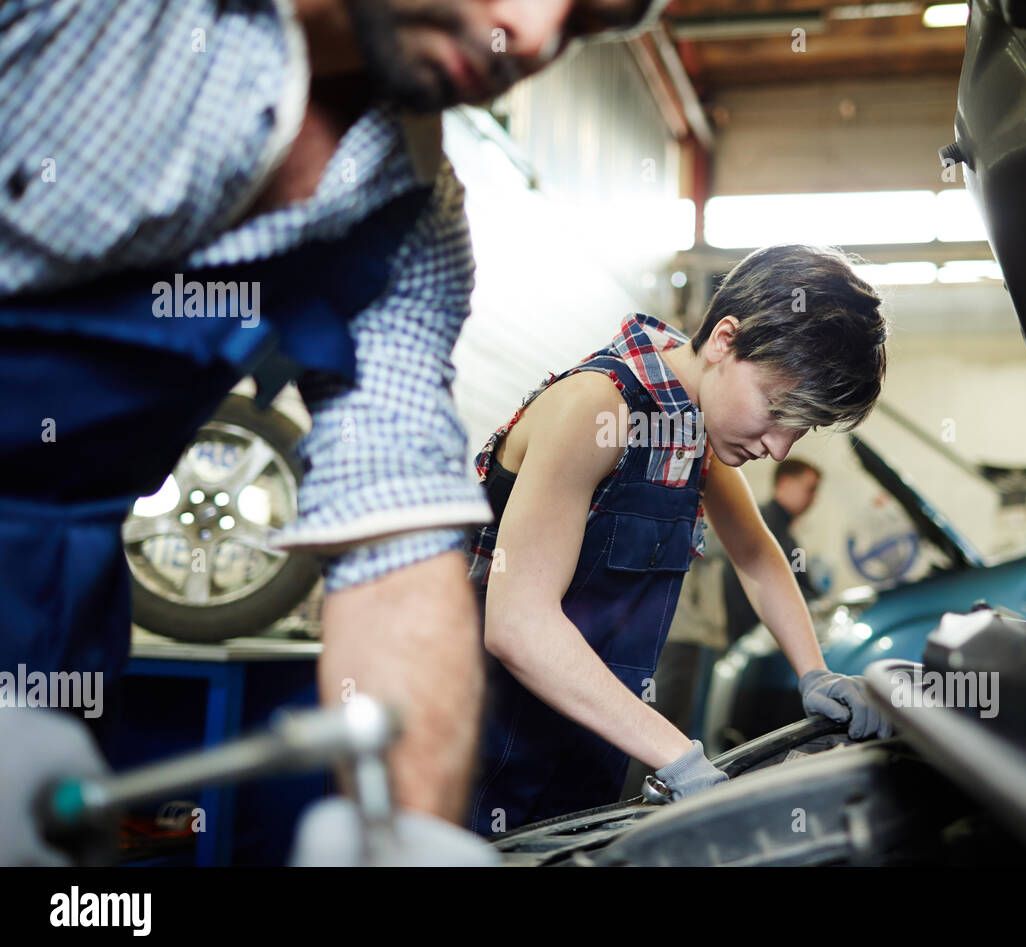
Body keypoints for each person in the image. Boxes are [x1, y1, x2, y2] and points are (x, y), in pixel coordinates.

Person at [0, 0, 667, 864]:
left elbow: (395, 541)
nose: (534, 38)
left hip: (51, 613)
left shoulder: (404, 221)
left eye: (584, 27)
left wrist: (404, 835)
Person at [464, 243, 890, 835]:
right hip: (475, 740)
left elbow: (757, 555)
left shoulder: (692, 430)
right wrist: (681, 758)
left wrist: (814, 672)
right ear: (724, 339)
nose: (779, 448)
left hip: (587, 738)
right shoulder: (595, 409)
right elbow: (519, 624)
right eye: (775, 408)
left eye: (802, 427)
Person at [723, 458, 826, 643]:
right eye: (810, 489)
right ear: (785, 482)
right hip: (752, 637)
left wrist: (818, 601)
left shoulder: (789, 537)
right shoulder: (760, 524)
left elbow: (800, 574)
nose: (814, 499)